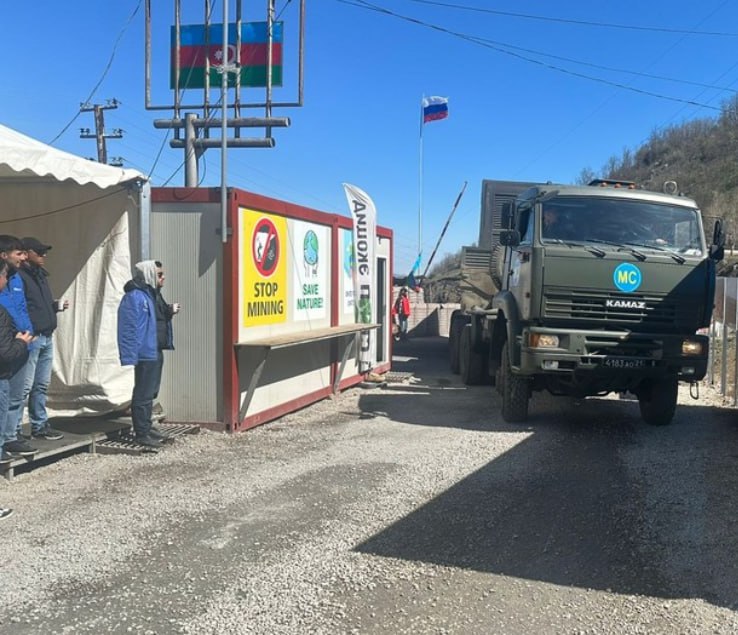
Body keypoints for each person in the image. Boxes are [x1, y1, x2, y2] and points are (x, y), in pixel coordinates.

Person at [117, 260, 178, 448]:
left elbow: (156, 318)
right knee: (143, 392)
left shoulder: (152, 294)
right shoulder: (135, 297)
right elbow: (128, 327)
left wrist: (169, 312)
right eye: (159, 274)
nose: (163, 277)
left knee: (151, 392)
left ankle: (147, 426)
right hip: (145, 351)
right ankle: (141, 433)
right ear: (149, 275)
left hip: (155, 349)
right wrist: (130, 354)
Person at [17, 237, 67, 441]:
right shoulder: (19, 277)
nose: (43, 255)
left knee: (41, 385)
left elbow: (36, 305)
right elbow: (20, 307)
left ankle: (39, 425)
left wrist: (54, 307)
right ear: (27, 253)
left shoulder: (40, 275)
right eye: (39, 252)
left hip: (46, 336)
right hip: (33, 337)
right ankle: (14, 430)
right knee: (24, 386)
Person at [0, 236, 37, 458]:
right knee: (4, 395)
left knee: (16, 395)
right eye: (19, 253)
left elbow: (22, 308)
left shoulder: (17, 279)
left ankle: (10, 436)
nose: (23, 257)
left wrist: (28, 332)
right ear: (4, 255)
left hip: (23, 342)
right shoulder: (3, 279)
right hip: (7, 344)